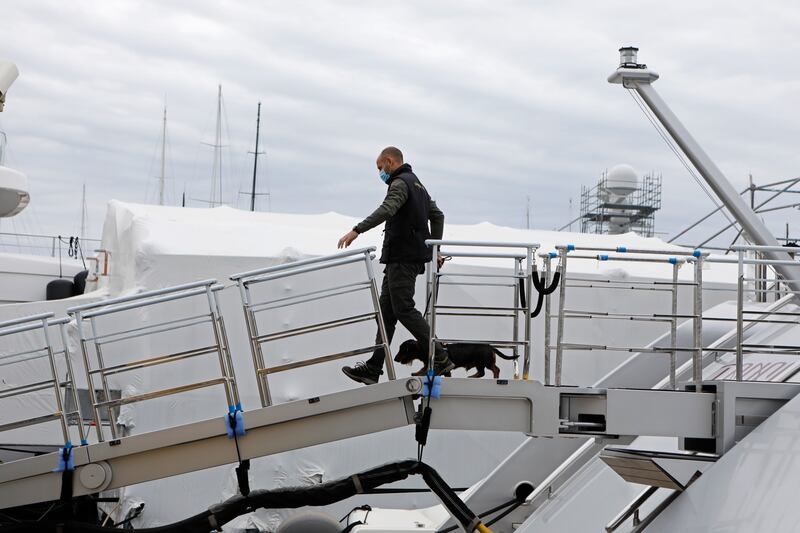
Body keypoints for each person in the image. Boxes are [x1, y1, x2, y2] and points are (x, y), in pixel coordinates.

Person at [338, 146, 454, 385]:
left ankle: (440, 356)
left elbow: (387, 209)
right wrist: (435, 248)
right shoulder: (418, 185)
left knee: (403, 309)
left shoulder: (400, 183)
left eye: (380, 168)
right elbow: (438, 215)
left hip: (403, 258)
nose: (380, 173)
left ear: (390, 162)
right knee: (387, 313)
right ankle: (373, 367)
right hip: (401, 259)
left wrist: (357, 230)